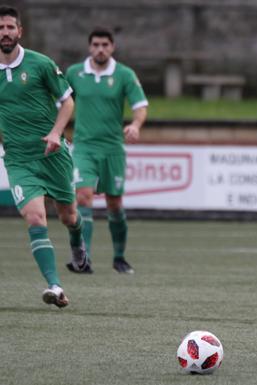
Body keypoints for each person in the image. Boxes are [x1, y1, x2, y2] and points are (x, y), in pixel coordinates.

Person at [0, 5, 89, 307]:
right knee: (35, 216)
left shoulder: (40, 64)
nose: (5, 33)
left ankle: (78, 243)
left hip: (53, 155)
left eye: (10, 27)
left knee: (69, 216)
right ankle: (55, 286)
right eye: (1, 28)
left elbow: (67, 103)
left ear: (20, 31)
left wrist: (55, 133)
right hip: (19, 159)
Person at [65, 27, 148, 274]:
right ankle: (84, 259)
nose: (100, 49)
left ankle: (119, 257)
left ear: (112, 47)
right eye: (96, 45)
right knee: (83, 197)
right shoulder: (74, 73)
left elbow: (140, 105)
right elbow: (61, 102)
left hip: (112, 149)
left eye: (105, 45)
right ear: (89, 47)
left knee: (115, 204)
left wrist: (135, 124)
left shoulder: (124, 74)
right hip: (84, 147)